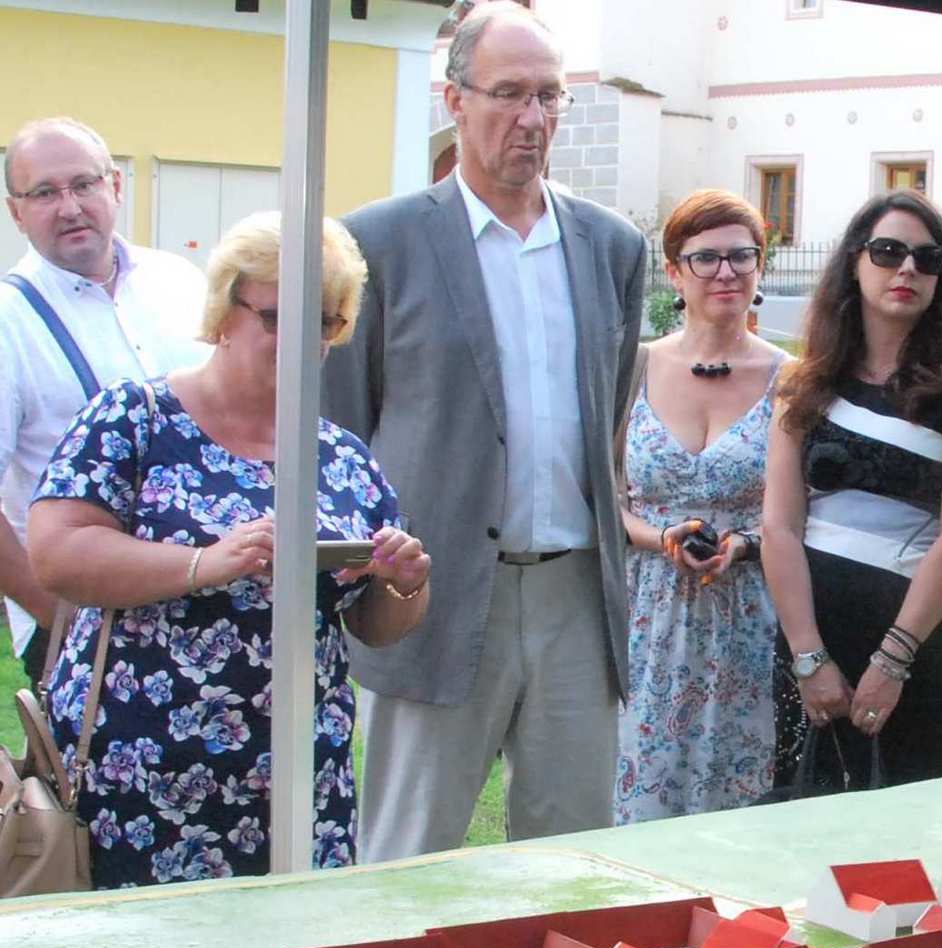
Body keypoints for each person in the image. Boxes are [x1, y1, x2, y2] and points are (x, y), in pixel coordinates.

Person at [321, 0, 647, 859]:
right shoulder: (376, 243)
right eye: (509, 93)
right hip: (435, 597)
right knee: (408, 858)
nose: (532, 119)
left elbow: (609, 414)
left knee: (573, 863)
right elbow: (340, 433)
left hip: (577, 597)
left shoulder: (612, 246)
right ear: (455, 100)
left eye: (549, 95)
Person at [26, 212, 430, 888]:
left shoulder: (341, 455)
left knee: (296, 946)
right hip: (140, 776)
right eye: (277, 318)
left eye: (321, 323)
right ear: (223, 310)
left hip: (300, 779)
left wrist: (403, 582)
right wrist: (203, 564)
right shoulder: (134, 418)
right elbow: (57, 553)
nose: (301, 340)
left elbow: (374, 627)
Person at [761, 189, 942, 789]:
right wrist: (808, 657)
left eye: (928, 258)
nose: (907, 269)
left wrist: (894, 659)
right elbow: (779, 527)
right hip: (814, 637)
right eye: (889, 251)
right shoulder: (804, 384)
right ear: (854, 261)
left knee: (914, 820)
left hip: (922, 645)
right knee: (808, 815)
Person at [1, 117, 206, 686]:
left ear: (115, 185)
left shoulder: (181, 283)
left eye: (83, 184)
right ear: (16, 212)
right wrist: (52, 611)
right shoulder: (8, 321)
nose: (69, 207)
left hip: (206, 605)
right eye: (44, 193)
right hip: (85, 621)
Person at [615, 189, 788, 820]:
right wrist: (659, 538)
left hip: (752, 618)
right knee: (639, 799)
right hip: (646, 617)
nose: (726, 272)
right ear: (673, 272)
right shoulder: (632, 367)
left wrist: (743, 544)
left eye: (742, 256)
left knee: (745, 804)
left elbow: (804, 512)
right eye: (705, 258)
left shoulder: (792, 378)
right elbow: (606, 500)